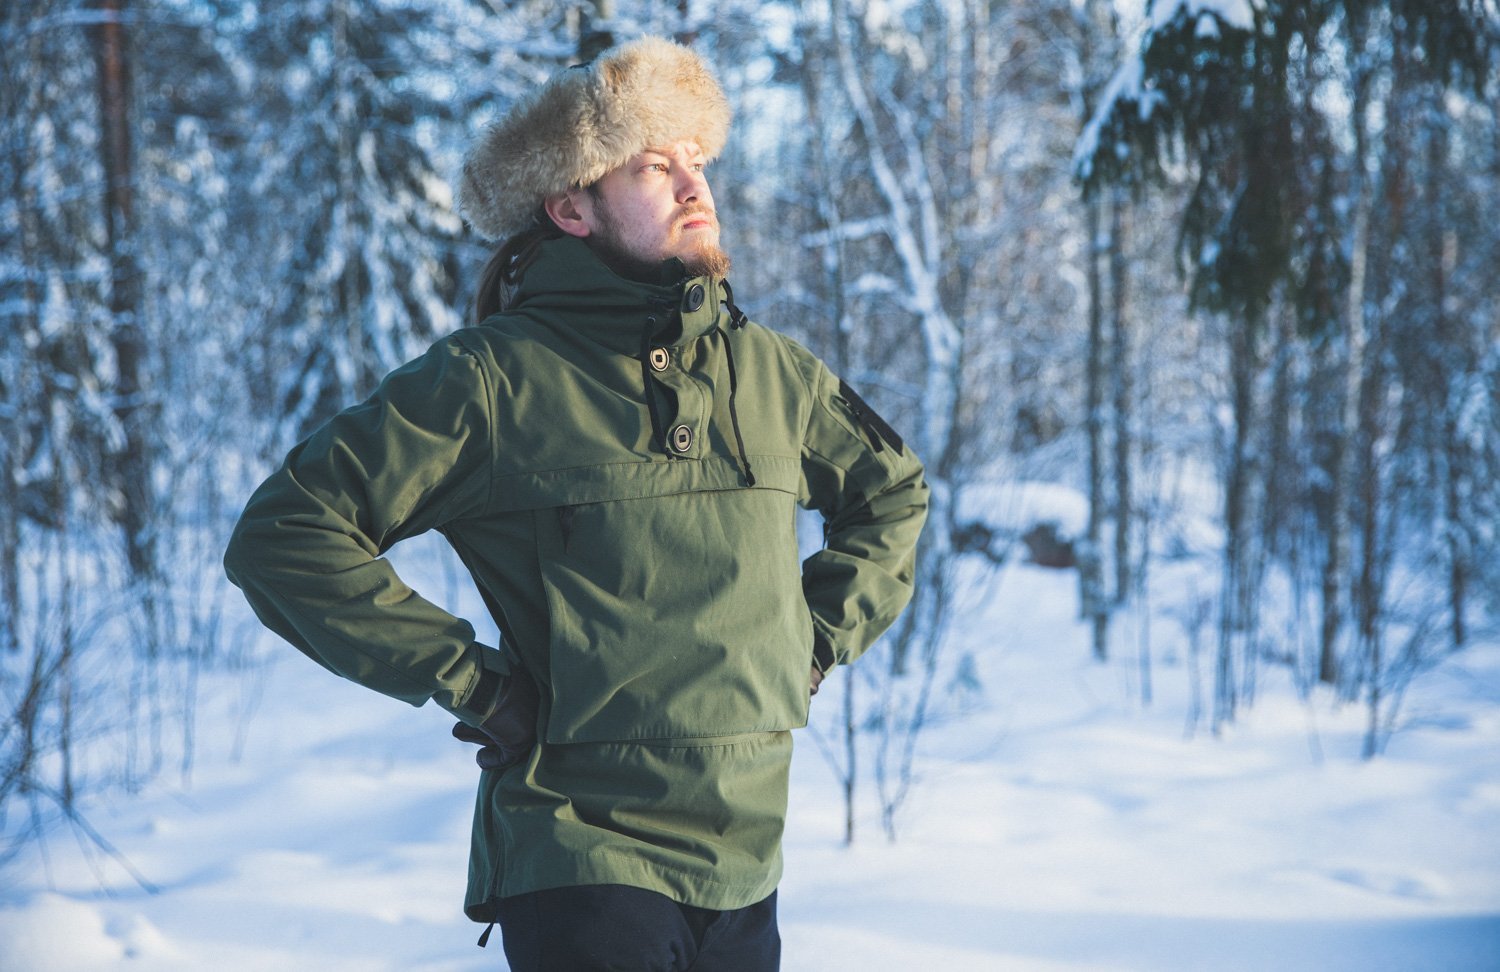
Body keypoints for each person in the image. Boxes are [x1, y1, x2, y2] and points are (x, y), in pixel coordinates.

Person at [224, 35, 927, 971]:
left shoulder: (770, 372)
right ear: (571, 206)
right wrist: (473, 683)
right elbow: (287, 535)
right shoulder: (493, 381)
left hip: (750, 859)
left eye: (697, 160)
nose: (693, 186)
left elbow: (893, 492)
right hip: (582, 857)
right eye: (653, 164)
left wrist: (811, 639)